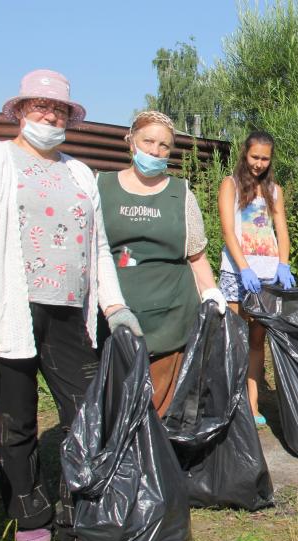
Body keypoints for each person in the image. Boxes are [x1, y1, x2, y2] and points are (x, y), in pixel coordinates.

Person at [0, 69, 140, 541]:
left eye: (58, 109)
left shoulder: (79, 173)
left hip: (68, 316)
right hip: (10, 311)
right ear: (19, 110)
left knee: (85, 413)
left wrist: (114, 306)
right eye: (40, 106)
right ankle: (30, 519)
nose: (49, 116)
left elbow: (99, 248)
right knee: (16, 423)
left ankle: (77, 512)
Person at [97, 111, 226, 416]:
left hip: (171, 319)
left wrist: (211, 292)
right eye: (148, 141)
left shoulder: (180, 194)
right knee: (117, 403)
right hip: (115, 314)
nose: (155, 151)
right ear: (131, 142)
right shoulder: (100, 187)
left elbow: (196, 255)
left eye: (164, 146)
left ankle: (157, 460)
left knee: (158, 408)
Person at [218, 131, 295, 425]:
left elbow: (282, 230)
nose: (259, 163)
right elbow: (227, 230)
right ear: (244, 153)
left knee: (256, 342)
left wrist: (283, 264)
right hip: (237, 274)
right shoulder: (231, 184)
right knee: (233, 340)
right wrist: (244, 267)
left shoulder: (275, 190)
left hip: (267, 277)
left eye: (265, 158)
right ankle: (230, 404)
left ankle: (251, 405)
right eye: (255, 157)